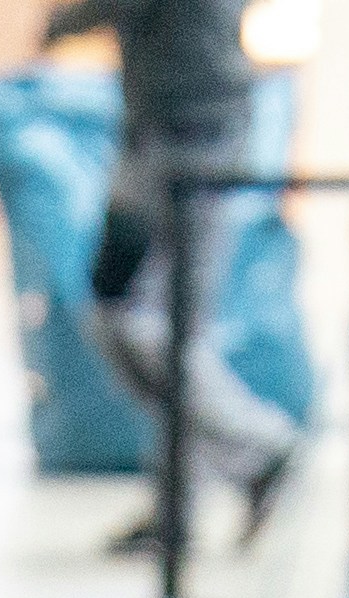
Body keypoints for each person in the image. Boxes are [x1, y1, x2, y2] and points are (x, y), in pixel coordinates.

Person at [47, 0, 298, 538]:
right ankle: (182, 504)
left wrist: (63, 22)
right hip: (159, 132)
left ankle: (259, 447)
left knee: (153, 326)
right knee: (120, 317)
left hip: (195, 138)